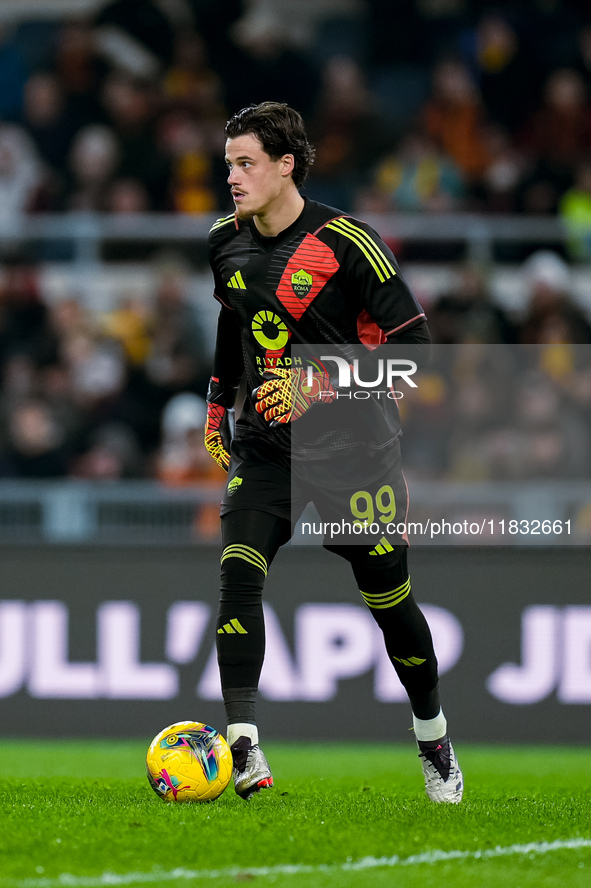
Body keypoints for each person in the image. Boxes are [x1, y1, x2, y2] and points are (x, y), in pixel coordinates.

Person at [204, 101, 463, 804]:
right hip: (267, 447)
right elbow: (236, 325)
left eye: (245, 162)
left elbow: (416, 353)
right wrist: (217, 400)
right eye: (228, 163)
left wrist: (317, 383)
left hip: (356, 452)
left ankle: (432, 735)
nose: (231, 176)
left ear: (286, 165)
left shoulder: (348, 243)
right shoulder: (223, 243)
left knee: (388, 601)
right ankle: (244, 747)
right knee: (237, 570)